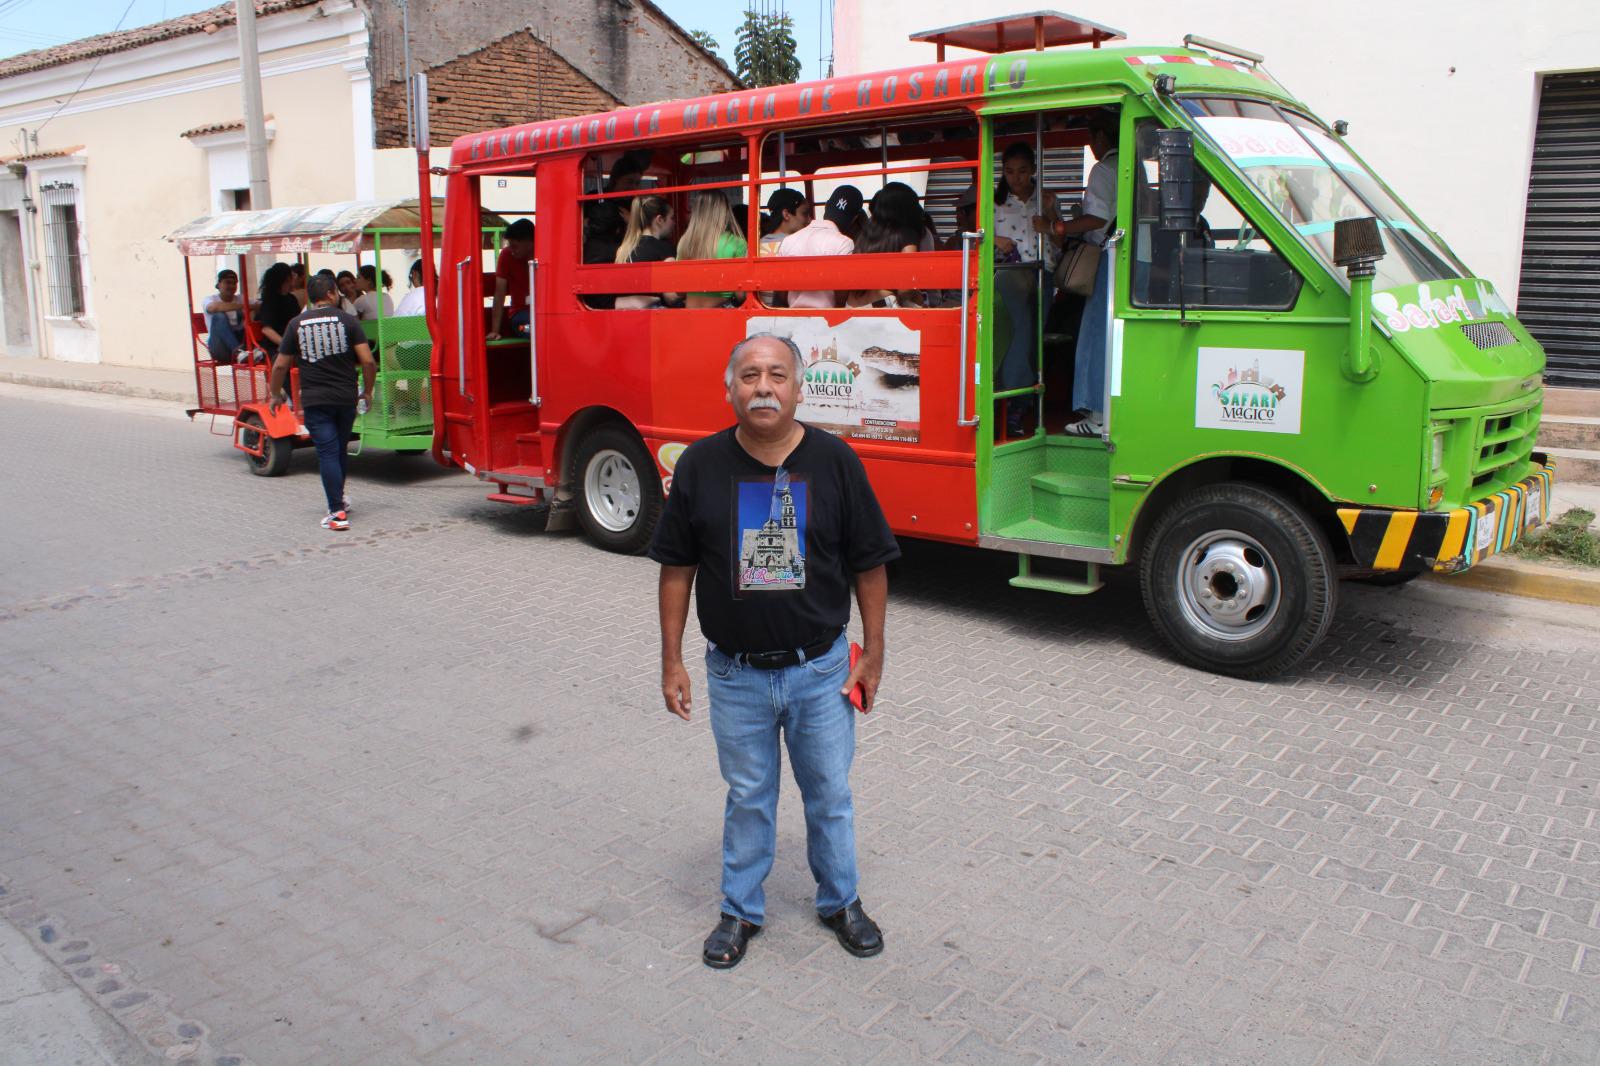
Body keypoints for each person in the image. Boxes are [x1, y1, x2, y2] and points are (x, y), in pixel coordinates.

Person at [650, 332, 899, 970]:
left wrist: (873, 652)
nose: (764, 386)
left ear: (799, 386)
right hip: (735, 675)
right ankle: (739, 910)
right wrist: (671, 659)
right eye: (751, 375)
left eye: (778, 375)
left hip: (820, 669)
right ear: (729, 387)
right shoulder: (701, 466)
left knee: (829, 794)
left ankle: (841, 901)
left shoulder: (836, 462)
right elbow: (676, 568)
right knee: (749, 794)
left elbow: (870, 563)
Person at [268, 275, 376, 532]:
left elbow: (281, 364)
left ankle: (337, 512)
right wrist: (368, 391)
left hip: (316, 398)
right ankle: (338, 501)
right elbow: (368, 361)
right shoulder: (348, 320)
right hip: (345, 396)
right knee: (338, 449)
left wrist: (275, 393)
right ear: (330, 294)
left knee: (327, 452)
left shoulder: (296, 324)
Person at [992, 142, 1058, 438]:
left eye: (1021, 171)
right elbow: (978, 239)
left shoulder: (1045, 200)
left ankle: (1019, 404)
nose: (1015, 178)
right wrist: (996, 241)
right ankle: (1011, 406)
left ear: (1032, 170)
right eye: (1009, 172)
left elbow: (1061, 243)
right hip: (1010, 279)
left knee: (1033, 342)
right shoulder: (994, 203)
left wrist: (1050, 224)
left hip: (1043, 277)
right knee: (1016, 339)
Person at [1064, 110, 1120, 438]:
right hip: (1126, 260)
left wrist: (1058, 226)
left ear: (1100, 138)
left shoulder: (1103, 169)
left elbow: (1096, 220)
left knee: (1096, 334)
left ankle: (1096, 414)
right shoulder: (1132, 165)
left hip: (1106, 257)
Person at [779, 184, 864, 309]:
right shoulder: (844, 243)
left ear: (826, 206)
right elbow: (841, 295)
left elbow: (781, 289)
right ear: (855, 217)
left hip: (794, 318)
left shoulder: (788, 241)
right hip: (827, 321)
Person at [846, 182, 926, 309]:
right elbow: (905, 288)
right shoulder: (907, 234)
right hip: (884, 308)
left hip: (852, 306)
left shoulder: (865, 234)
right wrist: (919, 297)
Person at [676, 191, 747, 309]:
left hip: (690, 313)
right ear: (724, 212)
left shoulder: (684, 242)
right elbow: (740, 295)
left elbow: (680, 292)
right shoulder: (737, 243)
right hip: (722, 314)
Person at [613, 195, 679, 309]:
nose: (674, 223)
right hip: (653, 319)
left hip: (625, 317)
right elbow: (671, 297)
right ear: (659, 220)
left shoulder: (624, 249)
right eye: (671, 218)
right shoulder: (664, 249)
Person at [488, 218, 534, 339]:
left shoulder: (545, 254)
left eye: (514, 246)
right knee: (532, 329)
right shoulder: (506, 255)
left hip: (545, 315)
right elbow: (499, 294)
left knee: (547, 328)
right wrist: (495, 331)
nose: (511, 251)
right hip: (520, 318)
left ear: (530, 242)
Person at [252, 262, 301, 361]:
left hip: (293, 343)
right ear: (288, 278)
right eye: (293, 275)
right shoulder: (270, 301)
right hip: (275, 348)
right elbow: (267, 330)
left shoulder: (292, 298)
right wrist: (286, 345)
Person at [202, 269, 248, 363]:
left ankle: (253, 350)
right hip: (219, 348)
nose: (231, 286)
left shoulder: (240, 298)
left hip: (240, 341)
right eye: (228, 282)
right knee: (219, 316)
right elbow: (213, 308)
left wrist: (251, 310)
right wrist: (246, 306)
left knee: (253, 315)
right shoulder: (210, 299)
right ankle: (238, 352)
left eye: (234, 283)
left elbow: (260, 305)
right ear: (219, 285)